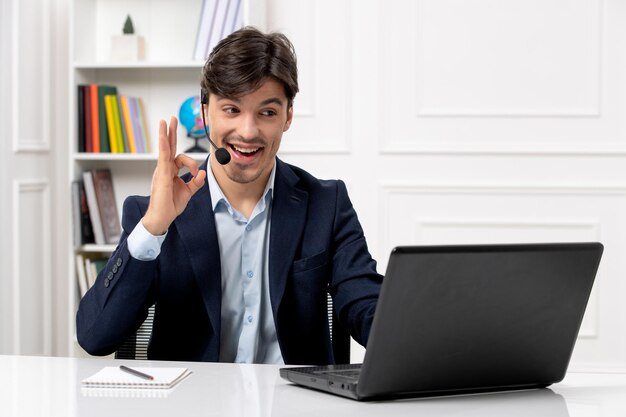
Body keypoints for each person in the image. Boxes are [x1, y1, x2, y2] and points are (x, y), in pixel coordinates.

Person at [76, 27, 382, 365]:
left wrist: (422, 335)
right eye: (232, 110)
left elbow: (366, 305)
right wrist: (153, 228)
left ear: (287, 117)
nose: (248, 132)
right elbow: (94, 336)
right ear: (206, 112)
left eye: (267, 112)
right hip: (192, 403)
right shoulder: (152, 213)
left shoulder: (326, 203)